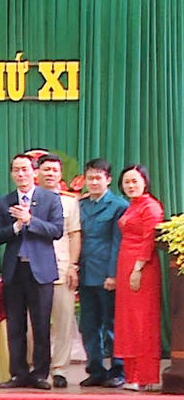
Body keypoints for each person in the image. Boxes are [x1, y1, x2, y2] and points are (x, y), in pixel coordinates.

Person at [0, 154, 64, 390]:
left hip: (41, 271)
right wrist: (15, 226)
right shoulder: (5, 202)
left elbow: (57, 230)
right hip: (14, 271)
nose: (21, 174)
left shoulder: (50, 199)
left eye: (25, 169)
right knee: (15, 325)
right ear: (11, 174)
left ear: (34, 172)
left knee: (41, 324)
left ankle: (40, 374)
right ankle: (18, 373)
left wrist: (30, 220)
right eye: (16, 170)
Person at [78, 158, 127, 388]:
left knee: (112, 325)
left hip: (107, 275)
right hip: (85, 274)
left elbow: (118, 243)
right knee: (88, 325)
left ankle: (118, 369)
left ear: (108, 179)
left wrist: (113, 274)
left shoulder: (118, 206)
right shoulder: (81, 205)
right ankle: (95, 369)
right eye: (90, 178)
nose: (94, 182)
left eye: (98, 178)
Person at [32, 154, 81, 388]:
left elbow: (74, 235)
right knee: (33, 323)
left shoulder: (70, 202)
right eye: (46, 169)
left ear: (60, 175)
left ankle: (60, 369)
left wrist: (73, 265)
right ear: (37, 173)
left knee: (63, 321)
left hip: (61, 267)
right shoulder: (28, 198)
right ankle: (35, 367)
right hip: (33, 269)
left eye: (54, 170)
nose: (50, 174)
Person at [115, 164, 163, 391]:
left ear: (145, 182)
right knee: (128, 321)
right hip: (125, 264)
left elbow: (148, 240)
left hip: (142, 267)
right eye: (127, 182)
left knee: (142, 320)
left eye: (135, 181)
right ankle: (131, 375)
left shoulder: (151, 207)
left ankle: (145, 376)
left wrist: (138, 268)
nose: (131, 185)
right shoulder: (132, 206)